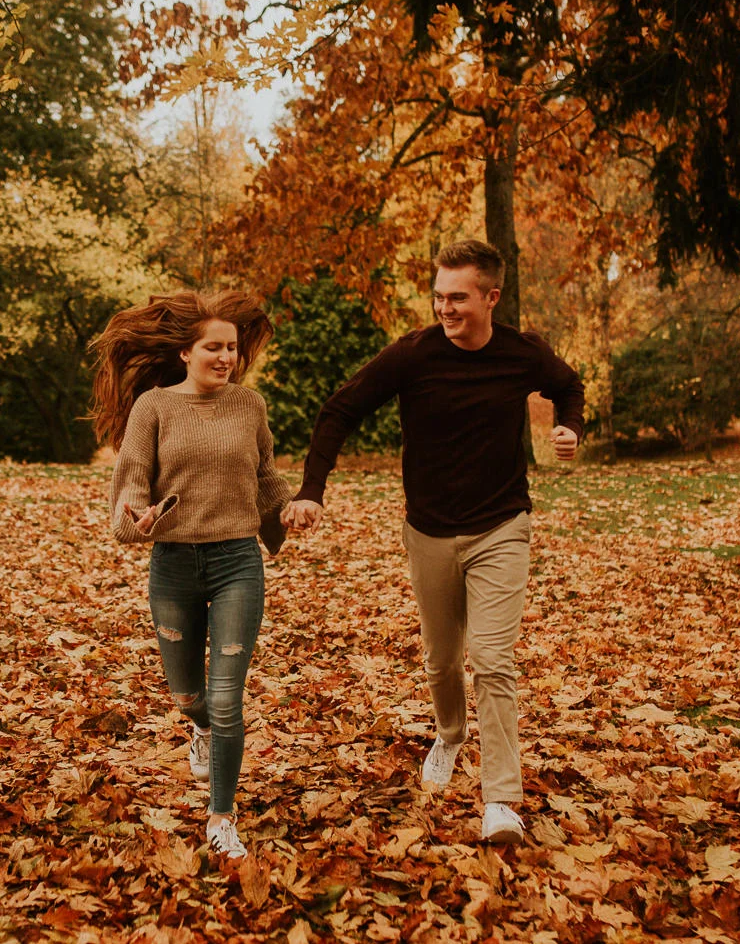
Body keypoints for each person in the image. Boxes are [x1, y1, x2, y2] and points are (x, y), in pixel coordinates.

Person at [282, 239, 584, 844]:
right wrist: (313, 487)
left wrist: (569, 425)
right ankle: (450, 734)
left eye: (458, 298)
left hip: (502, 525)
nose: (445, 309)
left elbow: (567, 385)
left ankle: (501, 800)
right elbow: (339, 411)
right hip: (428, 529)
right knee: (442, 660)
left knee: (493, 660)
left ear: (492, 297)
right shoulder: (411, 356)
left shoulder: (523, 353)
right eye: (439, 297)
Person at [91, 290, 291, 861]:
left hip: (236, 564)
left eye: (231, 347)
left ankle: (221, 817)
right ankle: (199, 726)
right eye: (213, 347)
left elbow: (265, 478)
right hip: (174, 566)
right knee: (187, 696)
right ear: (185, 351)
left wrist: (294, 507)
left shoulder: (249, 406)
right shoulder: (152, 408)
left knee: (228, 699)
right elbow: (131, 483)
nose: (225, 357)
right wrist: (138, 517)